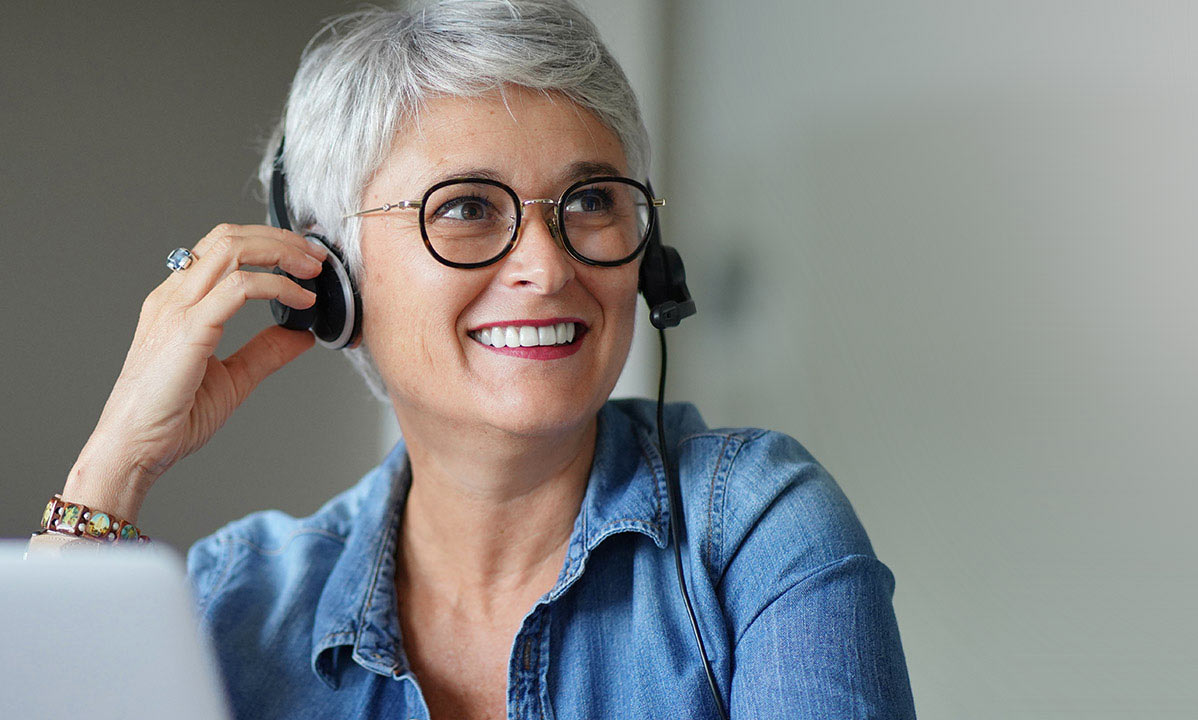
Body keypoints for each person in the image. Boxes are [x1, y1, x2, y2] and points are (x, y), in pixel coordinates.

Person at [28, 1, 915, 718]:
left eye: (592, 198)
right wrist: (114, 467)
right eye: (465, 208)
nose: (547, 264)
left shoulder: (756, 531)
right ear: (328, 276)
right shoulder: (236, 599)